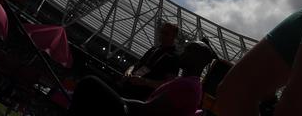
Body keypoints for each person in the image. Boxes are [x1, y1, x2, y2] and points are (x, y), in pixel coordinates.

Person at [70, 41, 216, 116]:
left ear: (199, 59)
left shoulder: (188, 86)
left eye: (188, 51)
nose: (183, 54)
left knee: (90, 83)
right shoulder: (188, 83)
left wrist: (117, 99)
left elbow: (148, 109)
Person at [120, 22, 180, 100]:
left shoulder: (174, 57)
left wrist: (145, 81)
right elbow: (137, 64)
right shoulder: (154, 49)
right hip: (129, 87)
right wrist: (128, 72)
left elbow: (168, 84)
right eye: (161, 32)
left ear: (174, 36)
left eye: (166, 33)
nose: (162, 35)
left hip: (142, 96)